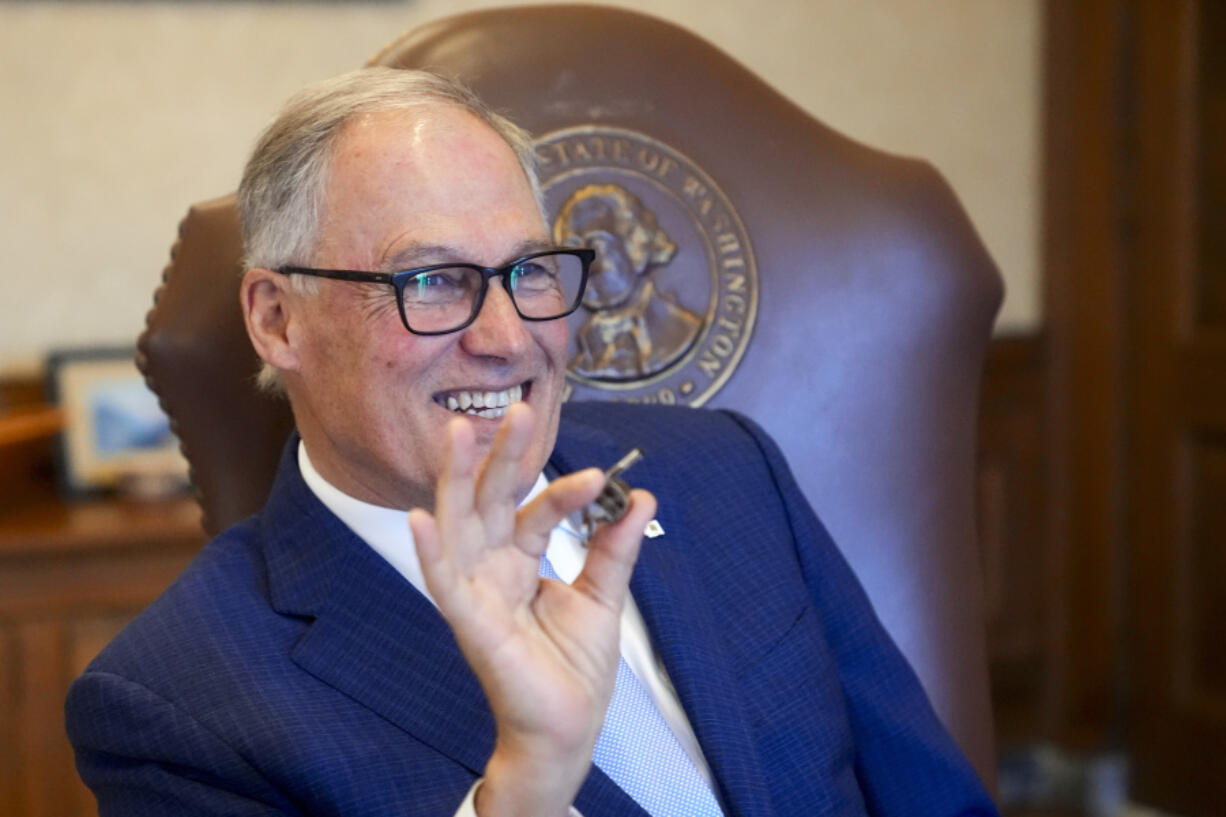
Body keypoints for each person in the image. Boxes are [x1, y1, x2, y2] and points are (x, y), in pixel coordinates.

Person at [66, 67, 998, 817]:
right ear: (278, 321)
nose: (510, 338)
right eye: (432, 281)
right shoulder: (177, 707)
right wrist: (527, 787)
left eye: (529, 271)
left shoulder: (719, 473)